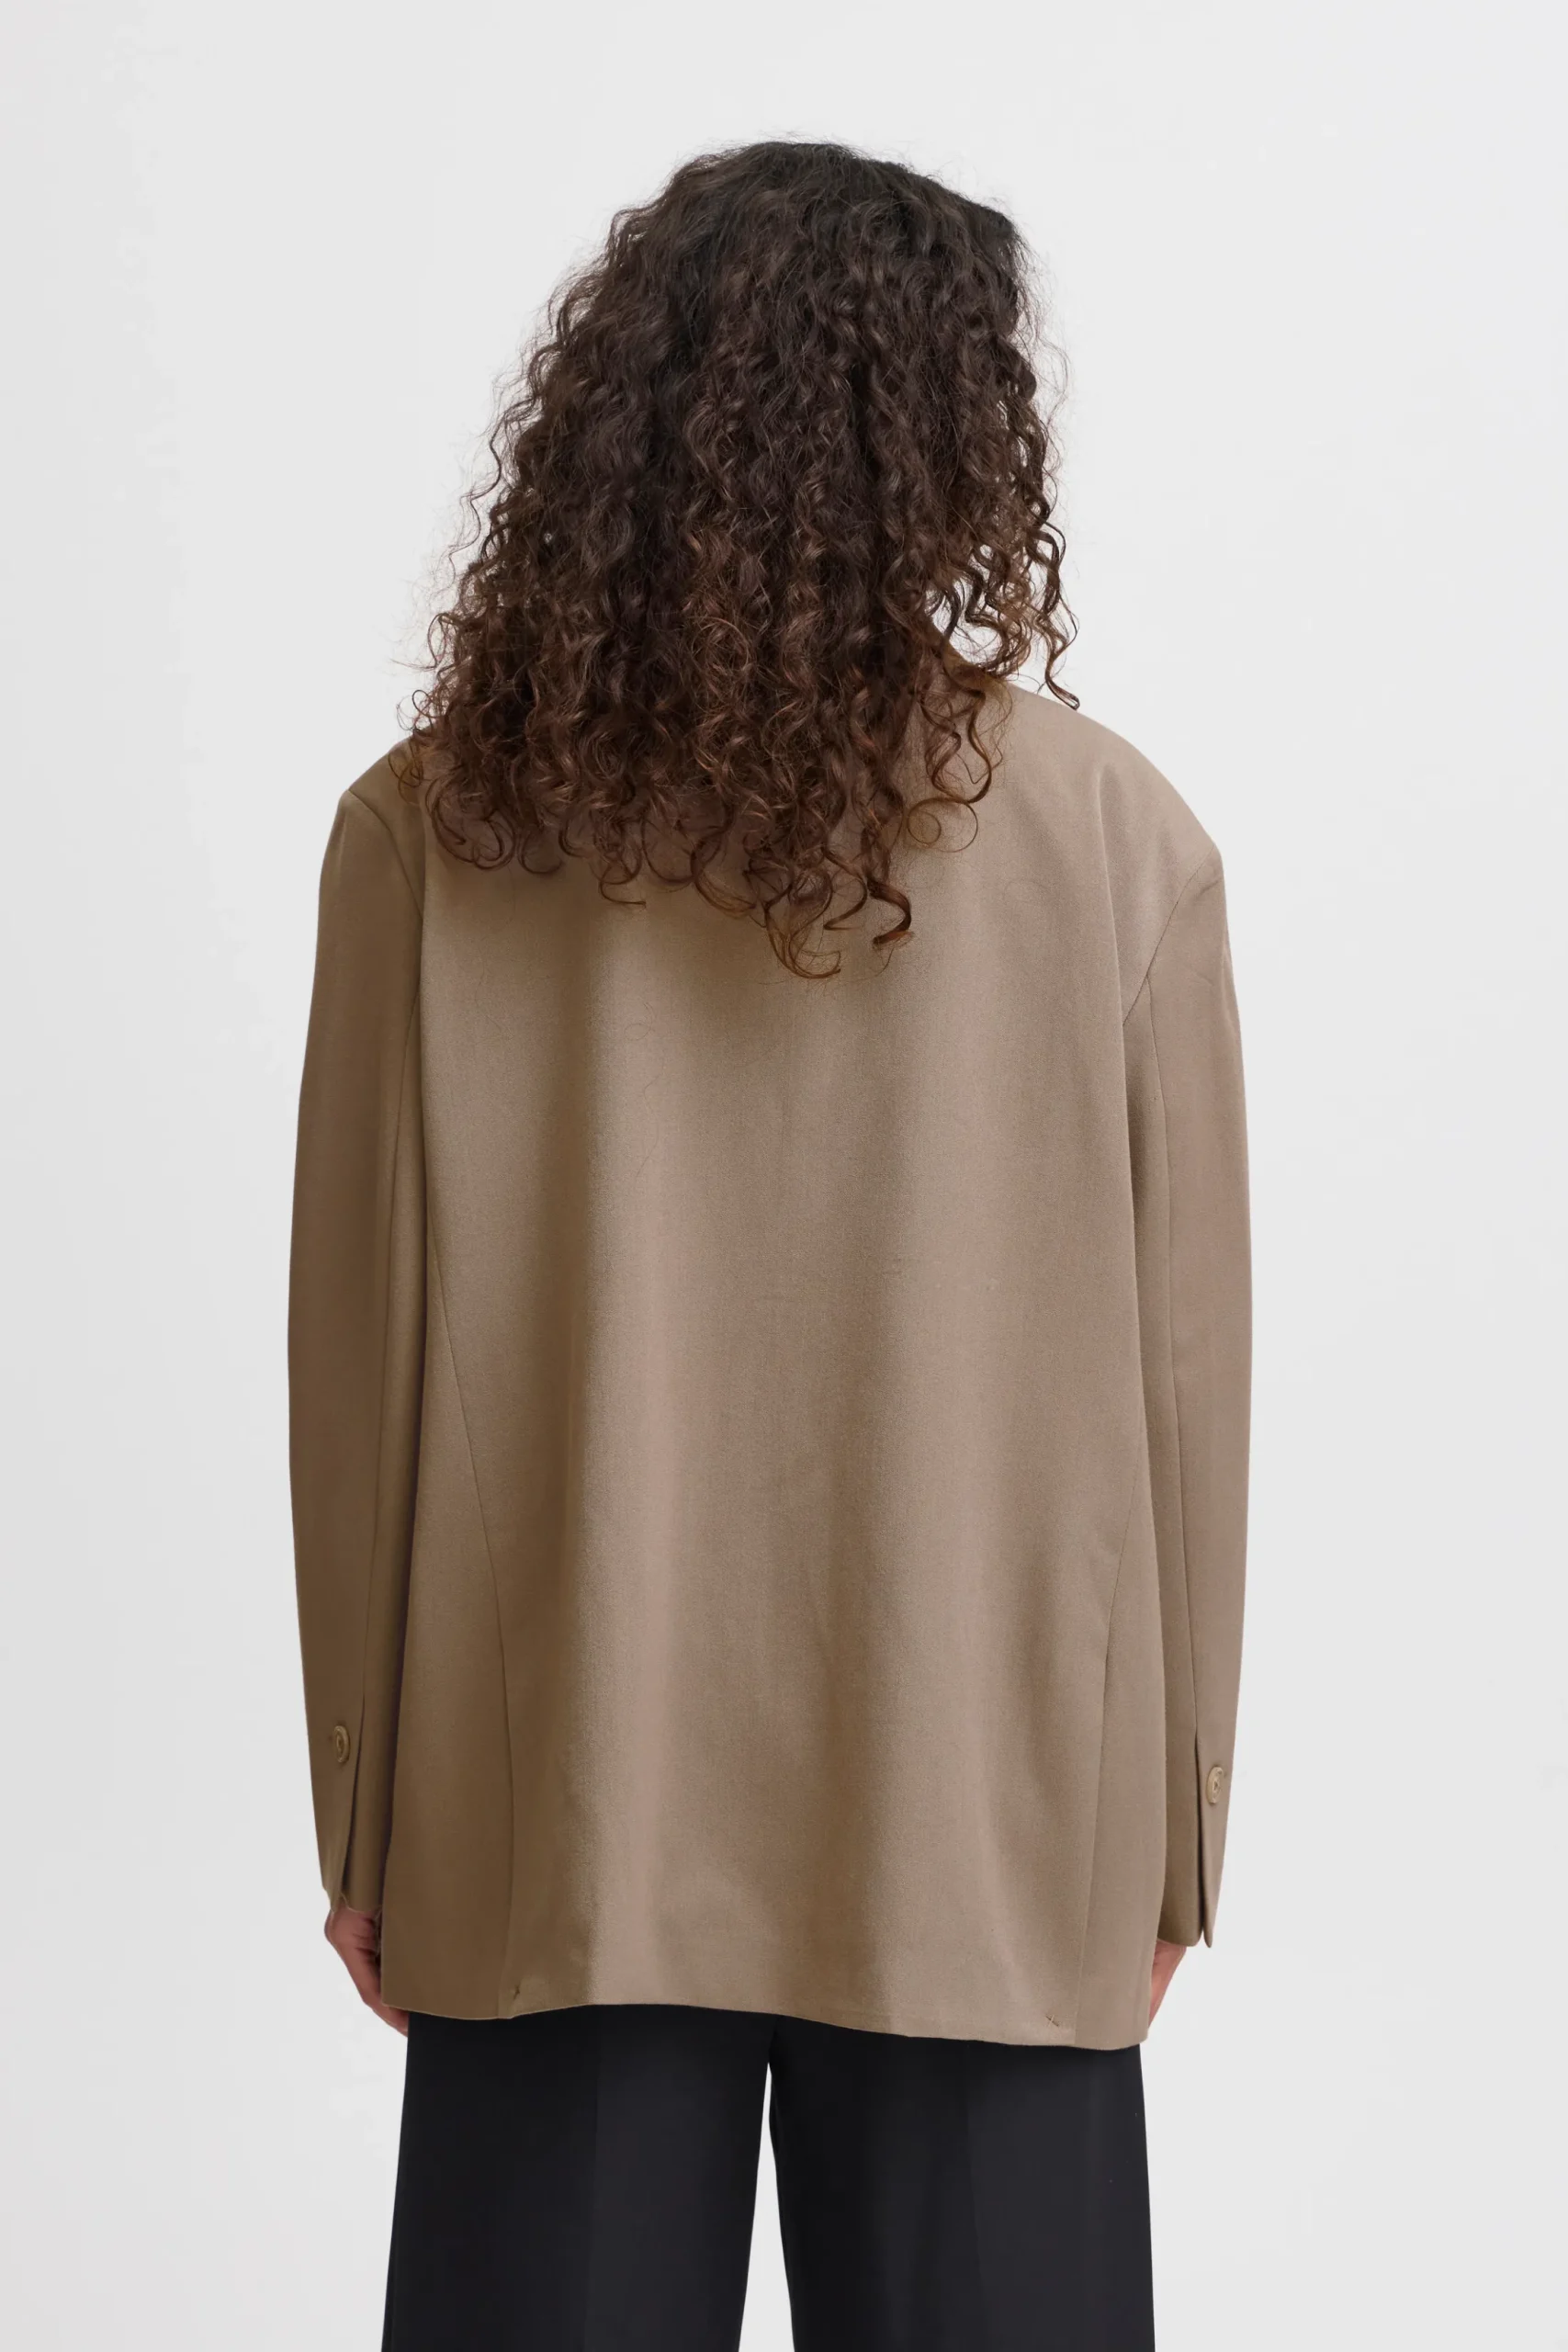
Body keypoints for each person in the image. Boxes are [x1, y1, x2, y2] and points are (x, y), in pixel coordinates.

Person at [288, 139, 1250, 2352]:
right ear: (956, 436)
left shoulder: (435, 831)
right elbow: (1187, 1382)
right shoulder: (1114, 840)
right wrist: (1168, 1829)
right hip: (986, 1805)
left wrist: (374, 1809)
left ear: (610, 421)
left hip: (556, 1806)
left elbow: (362, 1363)